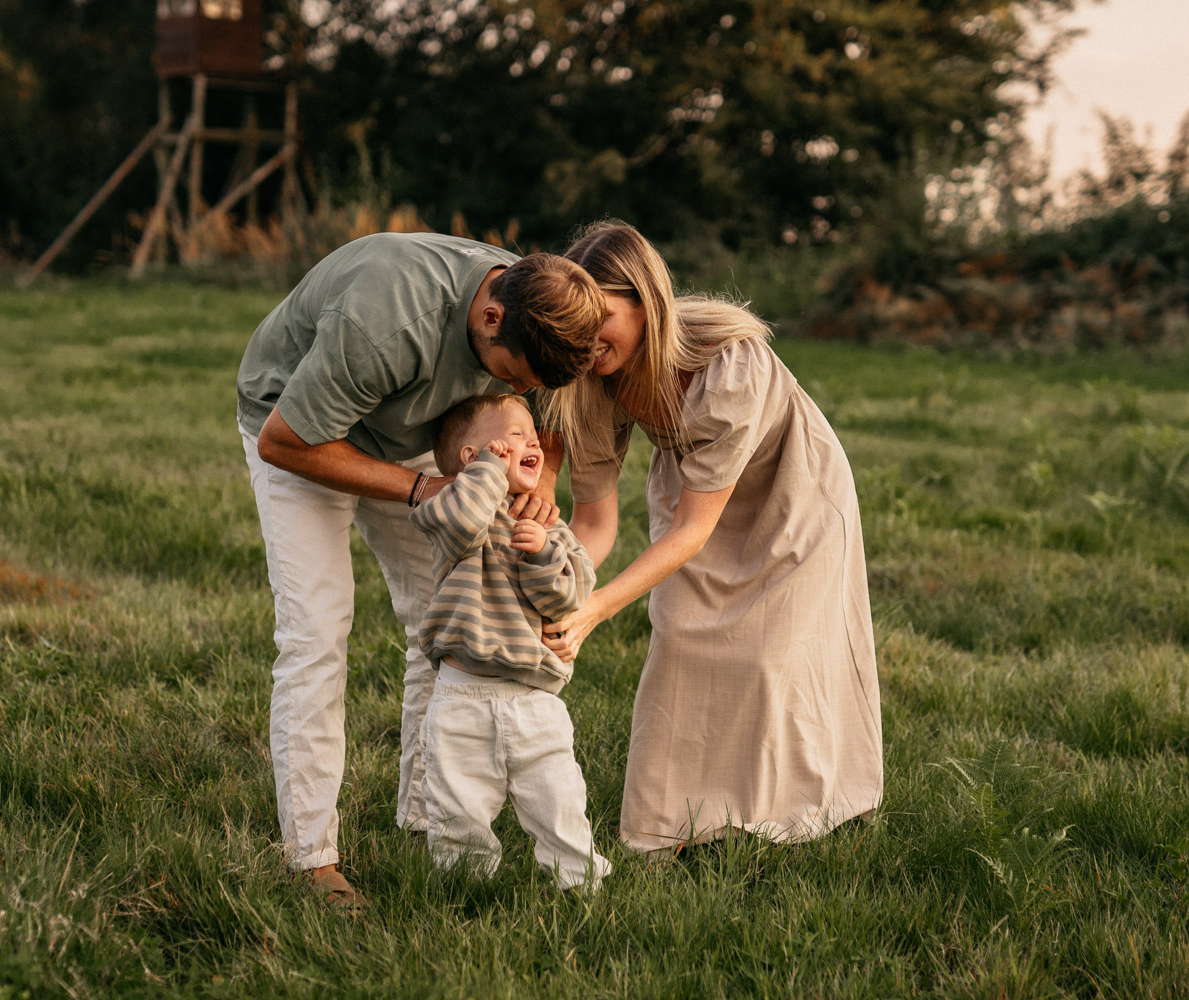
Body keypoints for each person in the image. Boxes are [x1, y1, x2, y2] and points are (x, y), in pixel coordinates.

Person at [236, 232, 604, 912]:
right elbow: (284, 441)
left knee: (442, 620)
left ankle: (429, 816)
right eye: (512, 376)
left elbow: (549, 413)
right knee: (317, 633)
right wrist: (415, 491)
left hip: (422, 442)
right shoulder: (390, 318)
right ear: (490, 316)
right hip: (298, 430)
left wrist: (542, 475)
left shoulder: (536, 310)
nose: (517, 392)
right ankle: (311, 859)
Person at [539, 222, 883, 855]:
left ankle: (789, 815)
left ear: (645, 301)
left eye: (604, 319)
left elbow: (694, 530)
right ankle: (667, 828)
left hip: (792, 489)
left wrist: (597, 612)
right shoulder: (590, 380)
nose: (586, 342)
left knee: (773, 654)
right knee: (681, 634)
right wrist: (557, 593)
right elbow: (594, 521)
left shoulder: (729, 363)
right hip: (696, 486)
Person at [410, 394, 611, 891]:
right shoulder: (453, 516)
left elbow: (569, 596)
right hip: (462, 696)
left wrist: (543, 553)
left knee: (558, 800)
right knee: (458, 809)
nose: (530, 442)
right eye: (511, 436)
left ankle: (580, 883)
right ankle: (464, 892)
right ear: (472, 459)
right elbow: (460, 522)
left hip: (533, 700)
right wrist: (487, 475)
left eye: (531, 434)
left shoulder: (551, 529)